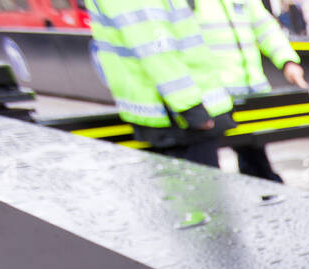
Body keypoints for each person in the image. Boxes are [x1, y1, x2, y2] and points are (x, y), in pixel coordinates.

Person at [85, 0, 234, 168]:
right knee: (202, 189)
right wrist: (190, 108)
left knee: (182, 187)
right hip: (179, 114)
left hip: (169, 109)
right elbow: (155, 46)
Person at [193, 0, 308, 181]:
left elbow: (265, 27)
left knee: (255, 160)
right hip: (214, 98)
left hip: (250, 94)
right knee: (207, 164)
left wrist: (287, 61)